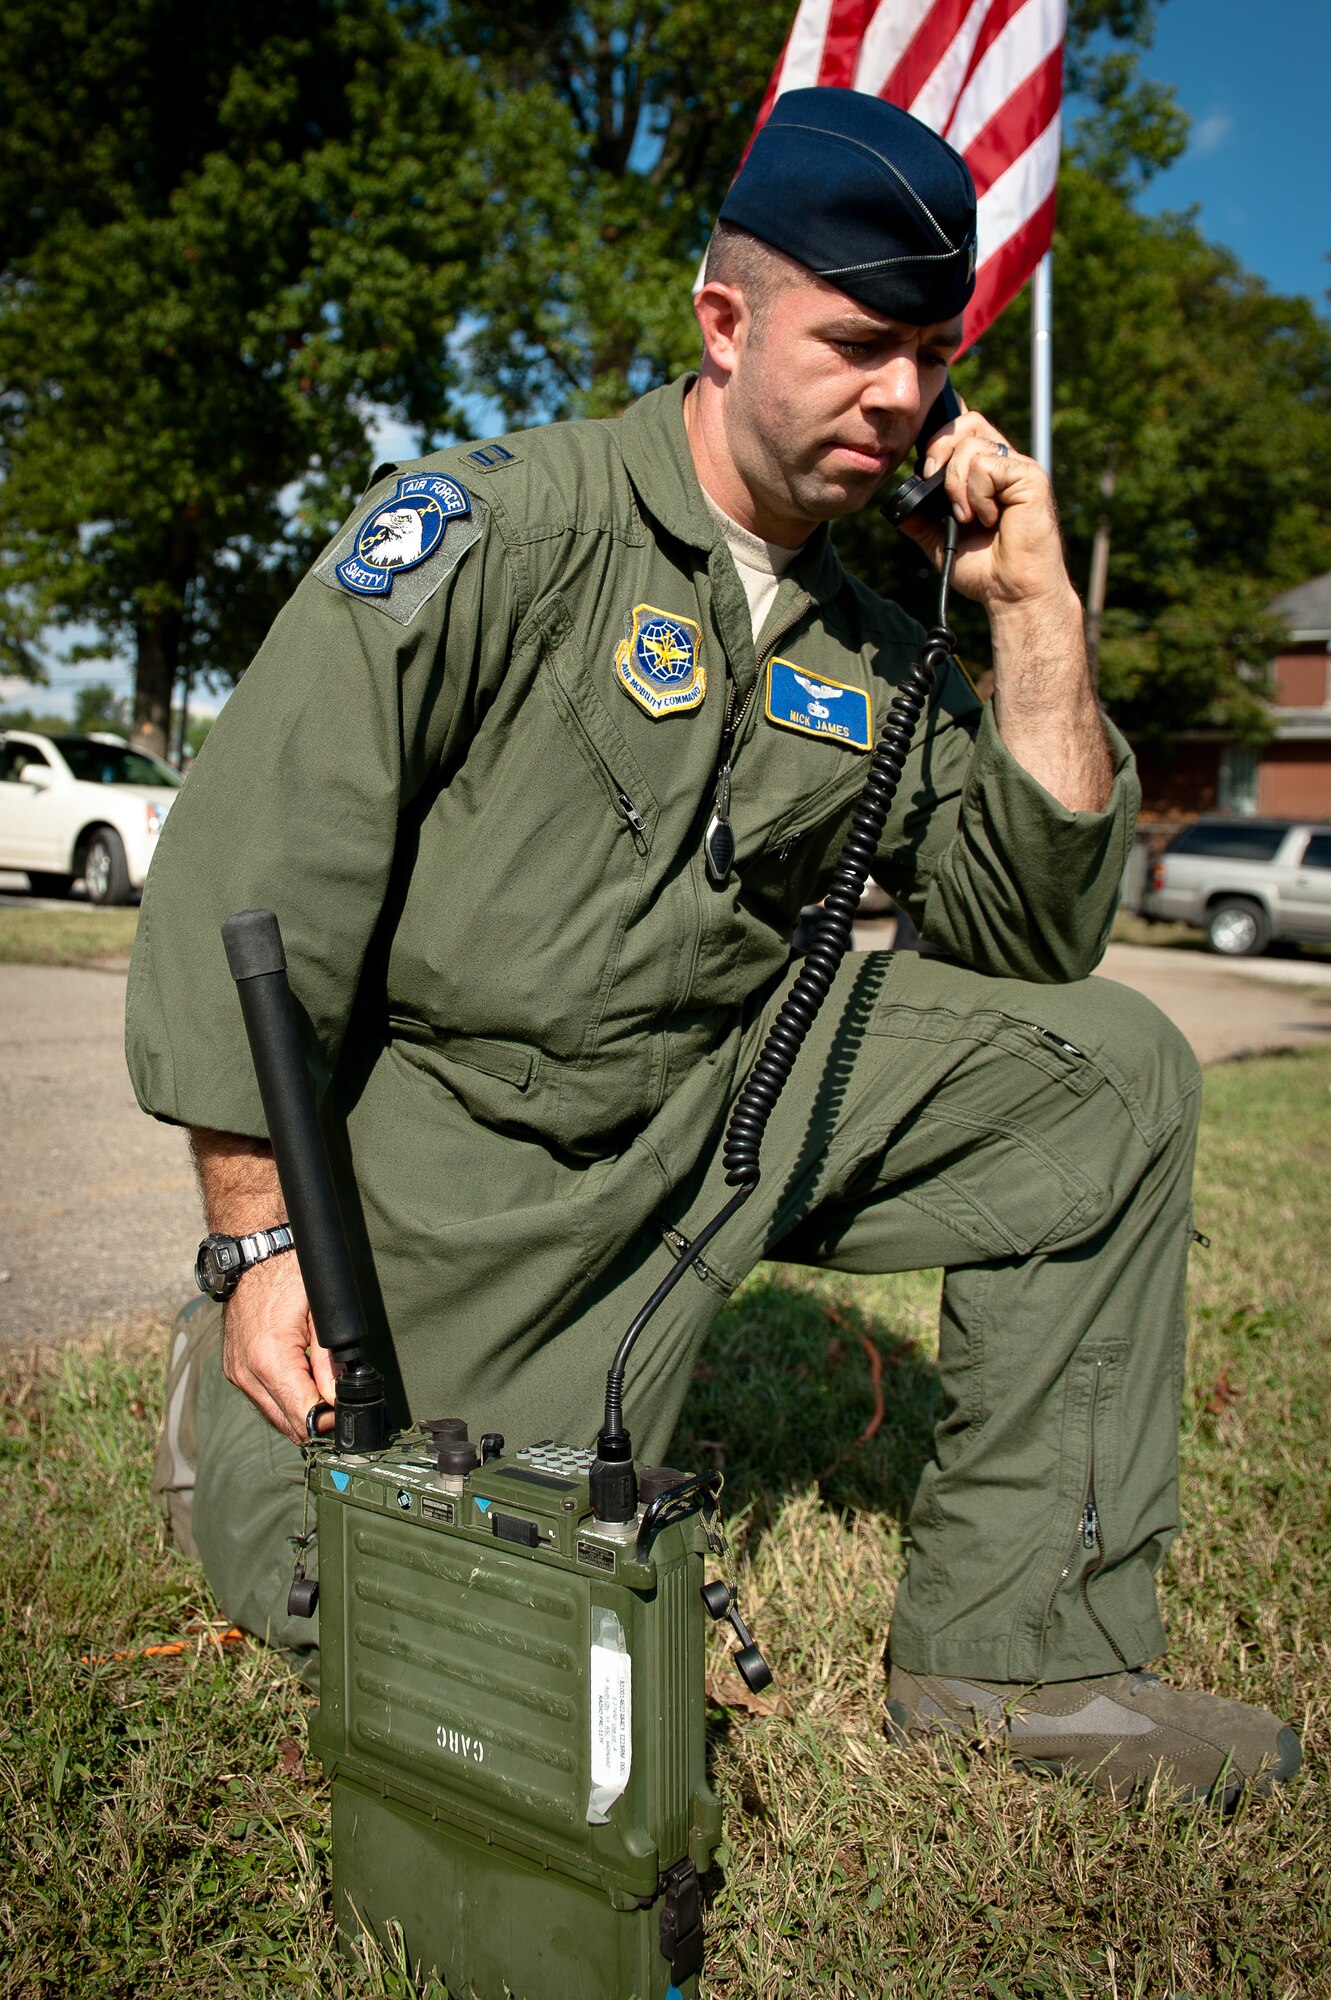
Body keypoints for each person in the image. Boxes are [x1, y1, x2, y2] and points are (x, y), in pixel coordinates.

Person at [128, 89, 1298, 1803]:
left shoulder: (881, 641)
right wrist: (254, 1246)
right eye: (857, 344)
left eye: (929, 357)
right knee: (414, 1613)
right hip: (473, 1153)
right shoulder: (499, 529)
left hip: (722, 1106)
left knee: (1107, 1079)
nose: (900, 399)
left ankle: (1022, 1661)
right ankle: (208, 1400)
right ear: (725, 320)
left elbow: (1040, 931)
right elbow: (250, 886)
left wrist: (1036, 609)